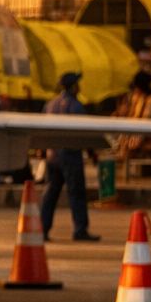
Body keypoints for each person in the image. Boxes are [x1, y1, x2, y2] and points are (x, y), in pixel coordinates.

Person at [40, 72, 99, 242]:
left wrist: (43, 152)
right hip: (71, 156)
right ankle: (80, 230)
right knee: (77, 194)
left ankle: (43, 228)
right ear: (73, 86)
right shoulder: (76, 106)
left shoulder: (50, 105)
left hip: (53, 156)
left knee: (50, 194)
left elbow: (42, 130)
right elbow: (84, 134)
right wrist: (92, 153)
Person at [114, 70, 151, 160]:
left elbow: (150, 119)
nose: (135, 90)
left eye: (136, 87)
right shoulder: (138, 97)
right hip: (138, 133)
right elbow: (132, 116)